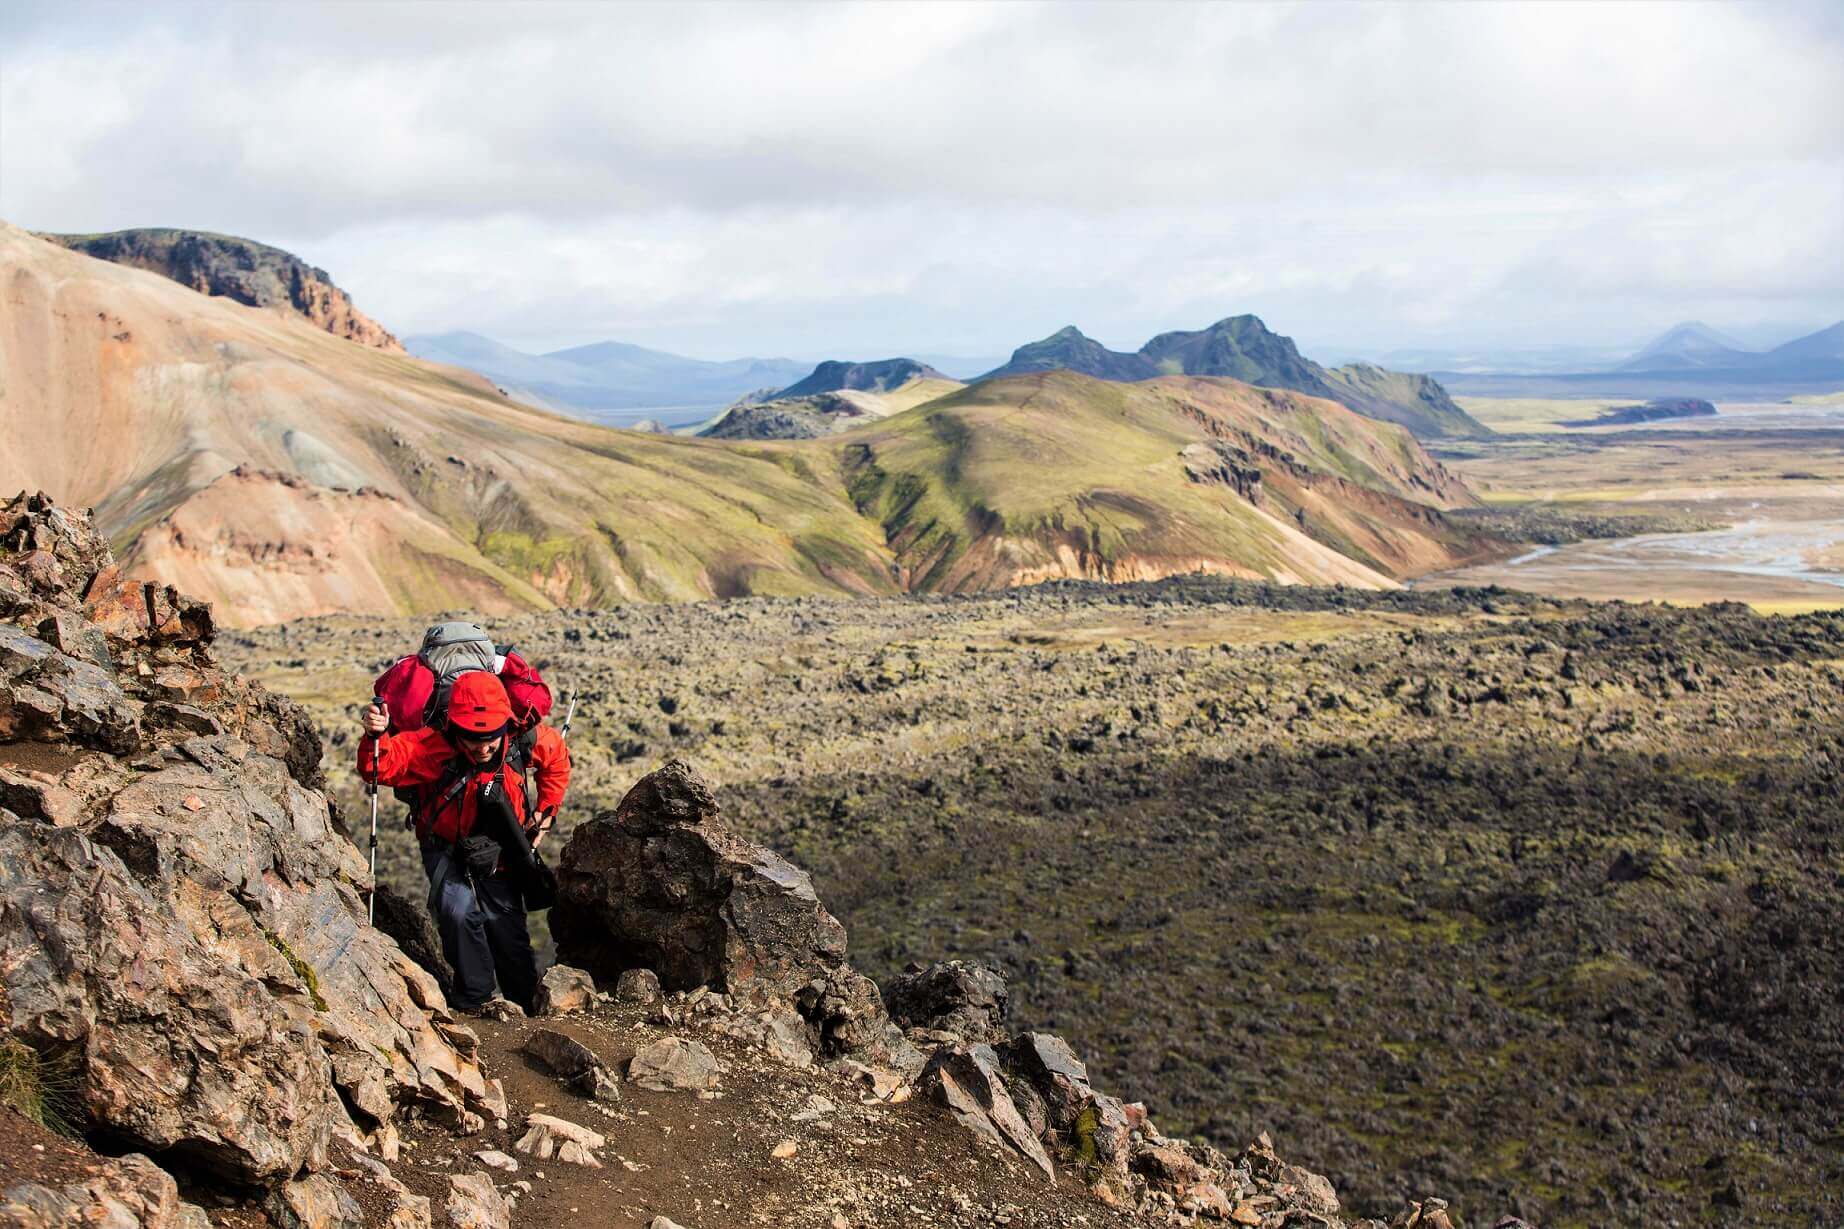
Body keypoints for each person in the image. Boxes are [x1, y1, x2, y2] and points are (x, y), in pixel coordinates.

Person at [359, 671, 570, 1014]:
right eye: (473, 738)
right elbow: (378, 768)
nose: (483, 747)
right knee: (457, 913)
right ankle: (475, 1001)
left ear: (505, 725)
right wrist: (375, 736)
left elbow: (556, 757)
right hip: (445, 846)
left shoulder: (524, 738)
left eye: (491, 737)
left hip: (500, 851)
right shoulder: (431, 746)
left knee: (507, 931)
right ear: (456, 727)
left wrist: (547, 808)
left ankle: (526, 1007)